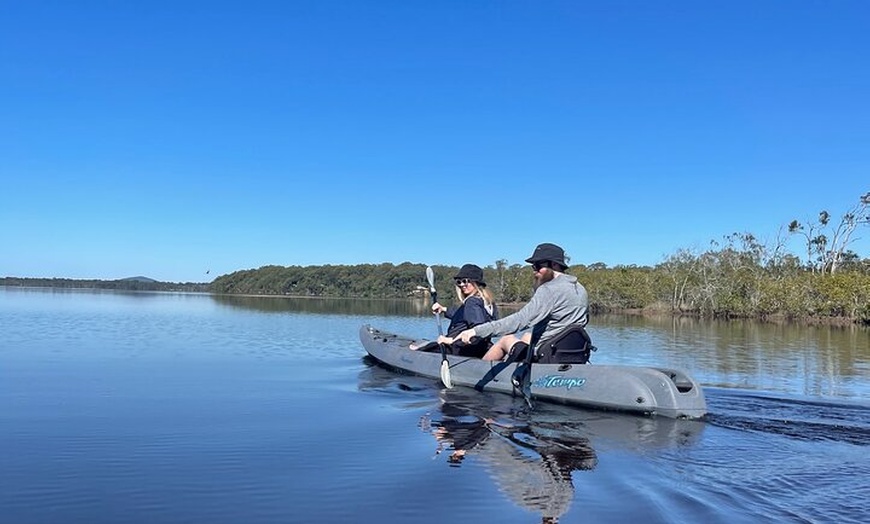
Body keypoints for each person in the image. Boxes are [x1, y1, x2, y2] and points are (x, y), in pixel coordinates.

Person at [453, 243, 589, 363]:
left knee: (506, 339)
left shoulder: (549, 289)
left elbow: (520, 320)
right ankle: (508, 364)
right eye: (533, 267)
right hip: (573, 352)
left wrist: (476, 331)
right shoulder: (580, 289)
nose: (535, 272)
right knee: (527, 336)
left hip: (547, 354)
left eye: (538, 266)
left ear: (554, 265)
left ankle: (476, 372)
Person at [413, 263, 498, 358]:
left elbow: (479, 329)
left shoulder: (472, 302)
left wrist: (450, 340)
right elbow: (463, 315)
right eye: (459, 282)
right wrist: (443, 309)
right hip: (479, 349)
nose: (462, 285)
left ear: (475, 282)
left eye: (465, 281)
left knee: (416, 350)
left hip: (460, 350)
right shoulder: (487, 301)